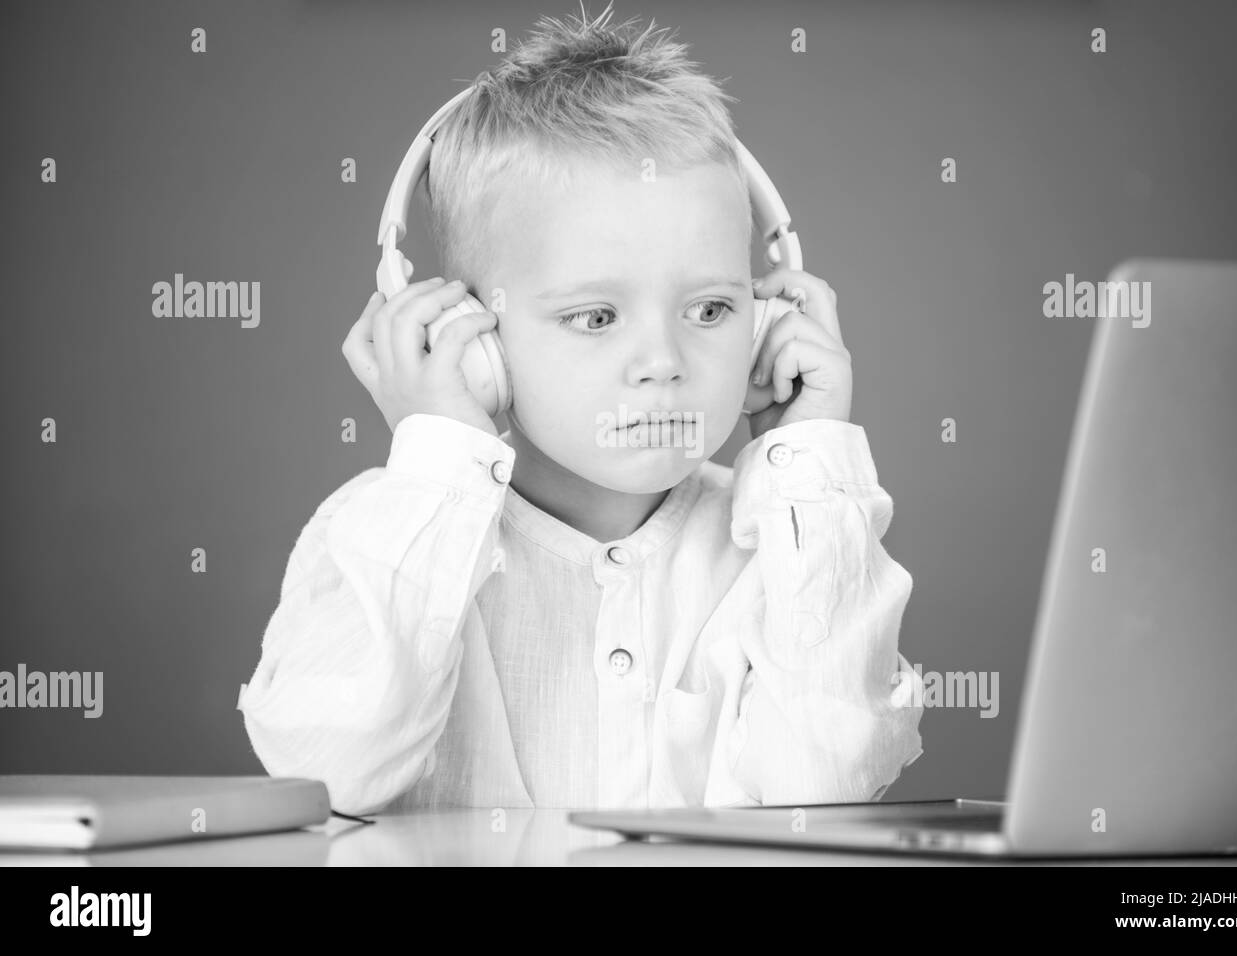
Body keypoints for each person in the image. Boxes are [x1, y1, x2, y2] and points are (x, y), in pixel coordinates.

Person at [237, 3, 923, 815]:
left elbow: (824, 786)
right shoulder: (382, 533)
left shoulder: (781, 545)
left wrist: (811, 462)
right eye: (595, 317)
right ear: (474, 336)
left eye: (709, 310)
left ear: (768, 321)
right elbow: (330, 772)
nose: (664, 363)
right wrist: (439, 456)